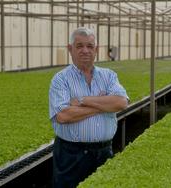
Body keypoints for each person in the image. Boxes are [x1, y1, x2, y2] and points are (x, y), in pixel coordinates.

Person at [49, 27, 129, 188]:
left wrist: (82, 100)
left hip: (104, 152)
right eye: (79, 46)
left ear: (97, 50)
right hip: (71, 155)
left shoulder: (109, 75)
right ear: (70, 49)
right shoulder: (60, 79)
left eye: (90, 46)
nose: (85, 51)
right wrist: (103, 104)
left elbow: (121, 102)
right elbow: (64, 116)